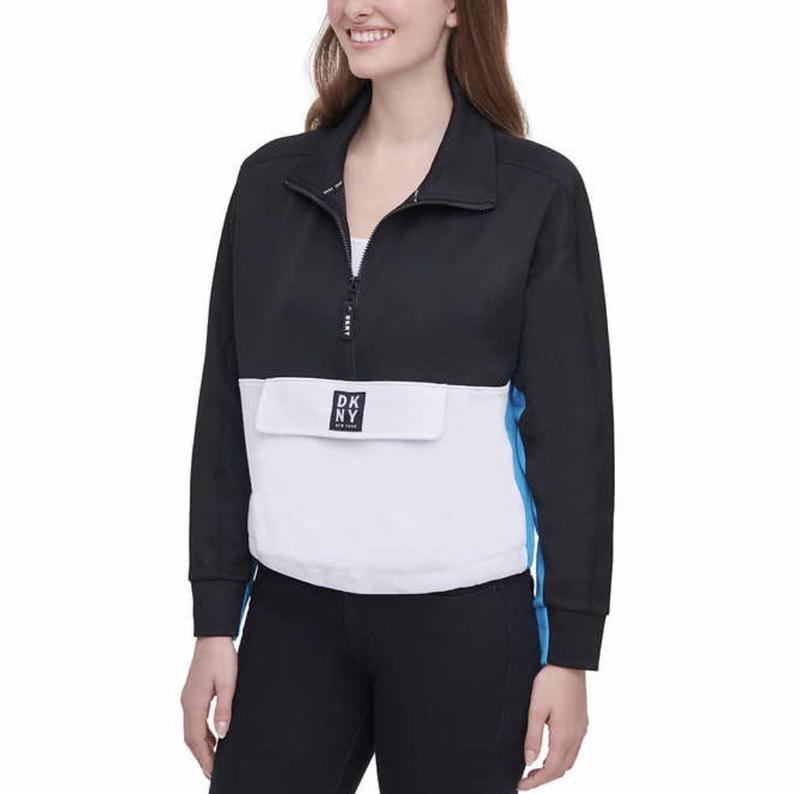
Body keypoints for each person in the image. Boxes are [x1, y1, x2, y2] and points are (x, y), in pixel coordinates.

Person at [180, 2, 614, 792]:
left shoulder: (535, 195)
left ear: (455, 8)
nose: (358, 7)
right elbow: (223, 418)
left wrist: (571, 650)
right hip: (290, 619)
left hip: (467, 625)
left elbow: (575, 440)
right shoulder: (269, 186)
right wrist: (214, 622)